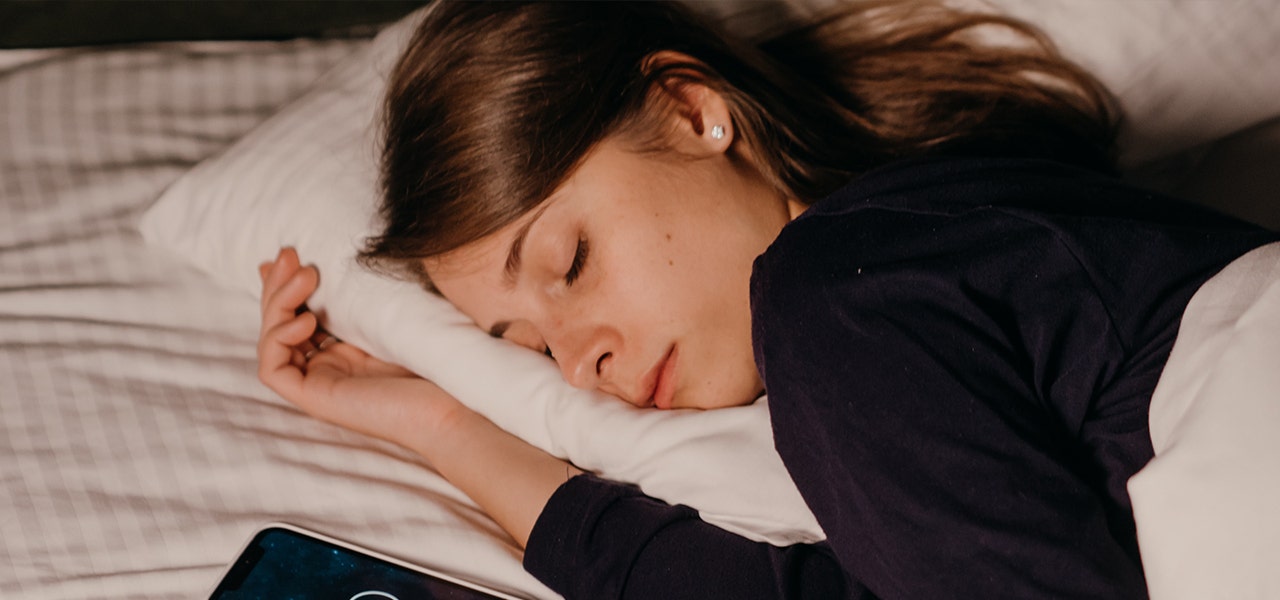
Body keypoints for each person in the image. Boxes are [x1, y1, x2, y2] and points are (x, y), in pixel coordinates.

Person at [255, 2, 1279, 598]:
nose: (577, 365)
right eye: (519, 346)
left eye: (568, 263)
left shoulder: (836, 287)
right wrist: (438, 422)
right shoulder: (956, 238)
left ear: (693, 110)